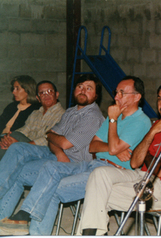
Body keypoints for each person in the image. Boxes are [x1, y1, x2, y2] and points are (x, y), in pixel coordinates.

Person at [0, 76, 151, 236]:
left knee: (50, 188)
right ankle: (13, 223)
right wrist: (112, 147)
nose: (116, 97)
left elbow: (109, 148)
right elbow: (94, 146)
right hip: (94, 164)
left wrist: (112, 126)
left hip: (112, 171)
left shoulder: (139, 121)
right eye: (116, 92)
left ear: (137, 96)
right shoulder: (109, 116)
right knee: (37, 166)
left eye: (122, 93)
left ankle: (25, 216)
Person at [77, 80, 161, 236]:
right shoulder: (157, 126)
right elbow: (135, 162)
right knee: (98, 175)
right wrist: (151, 133)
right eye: (159, 99)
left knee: (95, 195)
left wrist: (148, 154)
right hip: (140, 176)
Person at [0, 74, 105, 235]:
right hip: (57, 156)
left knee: (36, 167)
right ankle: (4, 223)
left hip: (76, 164)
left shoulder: (93, 116)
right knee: (17, 151)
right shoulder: (70, 112)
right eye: (80, 87)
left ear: (96, 95)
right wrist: (58, 151)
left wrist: (56, 142)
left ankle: (25, 217)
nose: (83, 91)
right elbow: (51, 137)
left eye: (89, 88)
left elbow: (63, 142)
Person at [0, 80, 65, 161]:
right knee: (12, 137)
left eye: (50, 91)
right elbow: (24, 130)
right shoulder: (35, 113)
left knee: (13, 143)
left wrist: (20, 145)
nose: (46, 95)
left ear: (57, 95)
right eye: (42, 93)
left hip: (45, 150)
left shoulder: (64, 115)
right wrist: (8, 138)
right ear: (38, 98)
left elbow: (49, 140)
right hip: (27, 147)